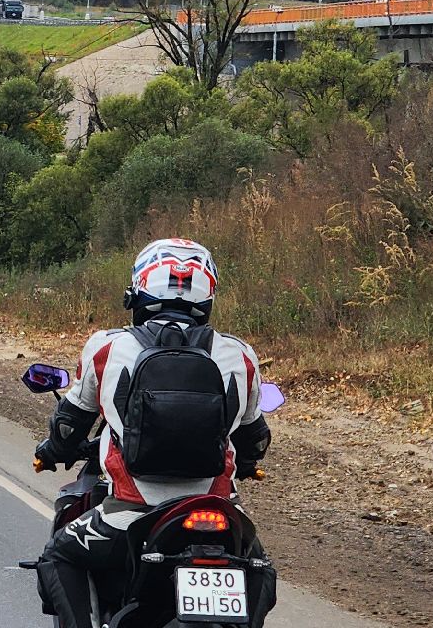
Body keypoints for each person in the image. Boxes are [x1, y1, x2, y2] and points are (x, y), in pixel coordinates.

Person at [32, 239, 270, 628]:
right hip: (219, 508)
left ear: (138, 287)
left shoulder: (107, 347)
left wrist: (54, 450)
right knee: (259, 565)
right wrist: (247, 463)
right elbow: (254, 436)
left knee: (60, 555)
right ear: (208, 292)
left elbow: (70, 420)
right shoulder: (240, 354)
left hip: (130, 512)